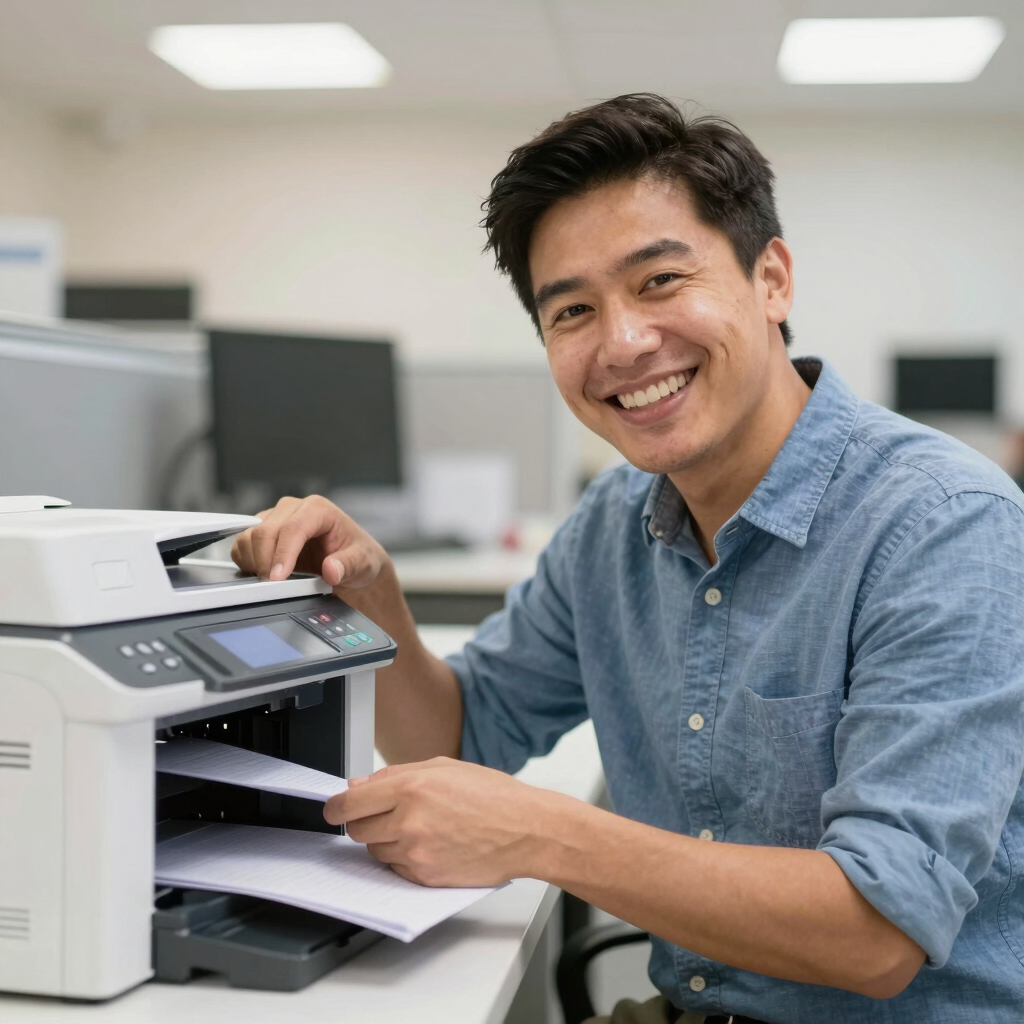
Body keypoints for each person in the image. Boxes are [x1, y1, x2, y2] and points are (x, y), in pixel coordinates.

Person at [231, 94, 1024, 1023]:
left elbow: (878, 929)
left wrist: (542, 834)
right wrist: (375, 601)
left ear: (771, 280)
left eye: (658, 282)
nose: (621, 343)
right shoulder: (616, 520)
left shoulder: (944, 524)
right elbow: (458, 734)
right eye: (571, 310)